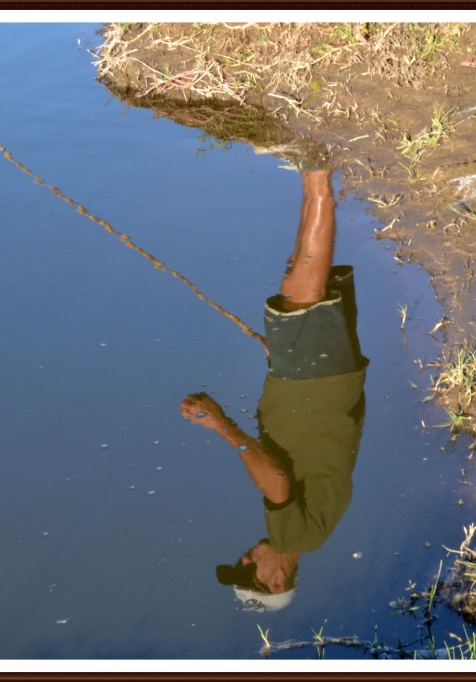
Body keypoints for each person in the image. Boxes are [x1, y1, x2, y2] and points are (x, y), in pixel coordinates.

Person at [180, 168, 368, 612]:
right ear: (278, 579)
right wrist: (222, 426)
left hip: (321, 388)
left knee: (298, 285)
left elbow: (298, 460)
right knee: (300, 289)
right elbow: (278, 480)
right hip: (316, 388)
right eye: (250, 573)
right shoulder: (294, 537)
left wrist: (280, 367)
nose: (245, 559)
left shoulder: (315, 533)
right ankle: (318, 178)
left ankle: (311, 175)